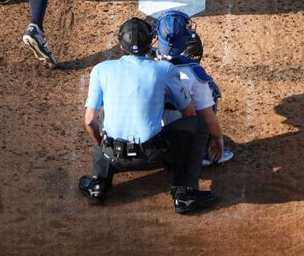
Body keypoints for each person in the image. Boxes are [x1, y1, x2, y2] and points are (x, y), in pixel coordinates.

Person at [78, 17, 219, 214]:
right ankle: (184, 192)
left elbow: (89, 120)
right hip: (154, 156)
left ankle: (98, 185)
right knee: (197, 125)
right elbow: (188, 112)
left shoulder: (101, 70)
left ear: (121, 45)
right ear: (150, 43)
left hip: (113, 156)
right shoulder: (164, 70)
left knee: (102, 120)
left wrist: (103, 147)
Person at [154, 11, 234, 167]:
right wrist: (217, 137)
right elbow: (207, 116)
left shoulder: (144, 64)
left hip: (147, 136)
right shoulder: (192, 72)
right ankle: (202, 150)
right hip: (178, 137)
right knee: (211, 90)